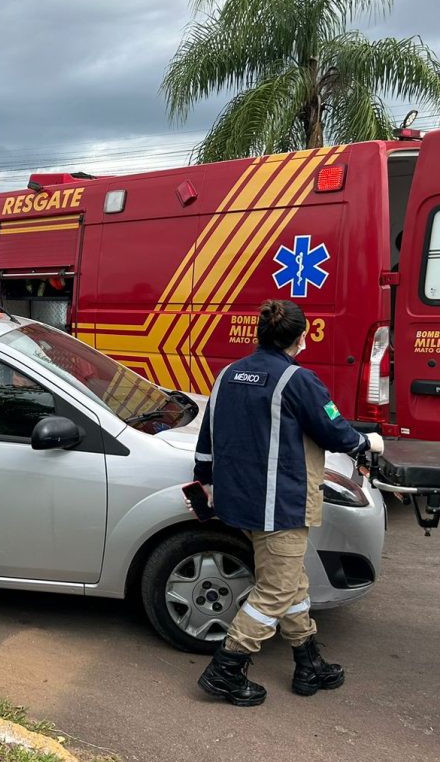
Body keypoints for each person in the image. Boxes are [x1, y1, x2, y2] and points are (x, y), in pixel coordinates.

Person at [192, 299, 384, 707]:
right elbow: (334, 431)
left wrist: (204, 479)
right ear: (300, 338)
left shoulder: (228, 374)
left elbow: (207, 435)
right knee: (276, 589)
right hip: (279, 504)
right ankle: (226, 669)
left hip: (237, 499)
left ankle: (307, 661)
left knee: (293, 582)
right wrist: (367, 442)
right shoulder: (297, 380)